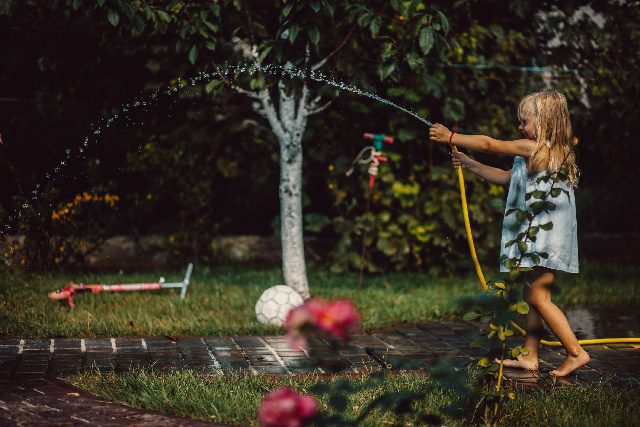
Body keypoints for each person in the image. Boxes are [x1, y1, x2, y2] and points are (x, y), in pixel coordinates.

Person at [428, 89, 589, 377]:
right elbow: (505, 177)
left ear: (545, 123)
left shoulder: (539, 149)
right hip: (539, 235)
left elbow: (490, 144)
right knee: (534, 296)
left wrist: (451, 137)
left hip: (542, 237)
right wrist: (470, 164)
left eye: (525, 121)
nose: (520, 127)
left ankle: (576, 352)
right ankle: (530, 355)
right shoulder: (538, 153)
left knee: (540, 298)